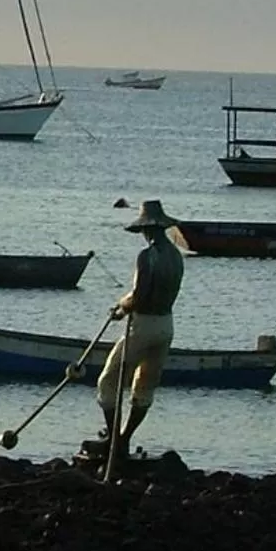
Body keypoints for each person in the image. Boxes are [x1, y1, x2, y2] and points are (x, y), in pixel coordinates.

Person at [91, 198, 185, 463]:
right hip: (166, 324)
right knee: (145, 385)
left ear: (147, 229)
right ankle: (124, 438)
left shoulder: (147, 256)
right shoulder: (176, 256)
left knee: (109, 380)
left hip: (143, 325)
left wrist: (121, 307)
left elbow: (140, 295)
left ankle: (114, 440)